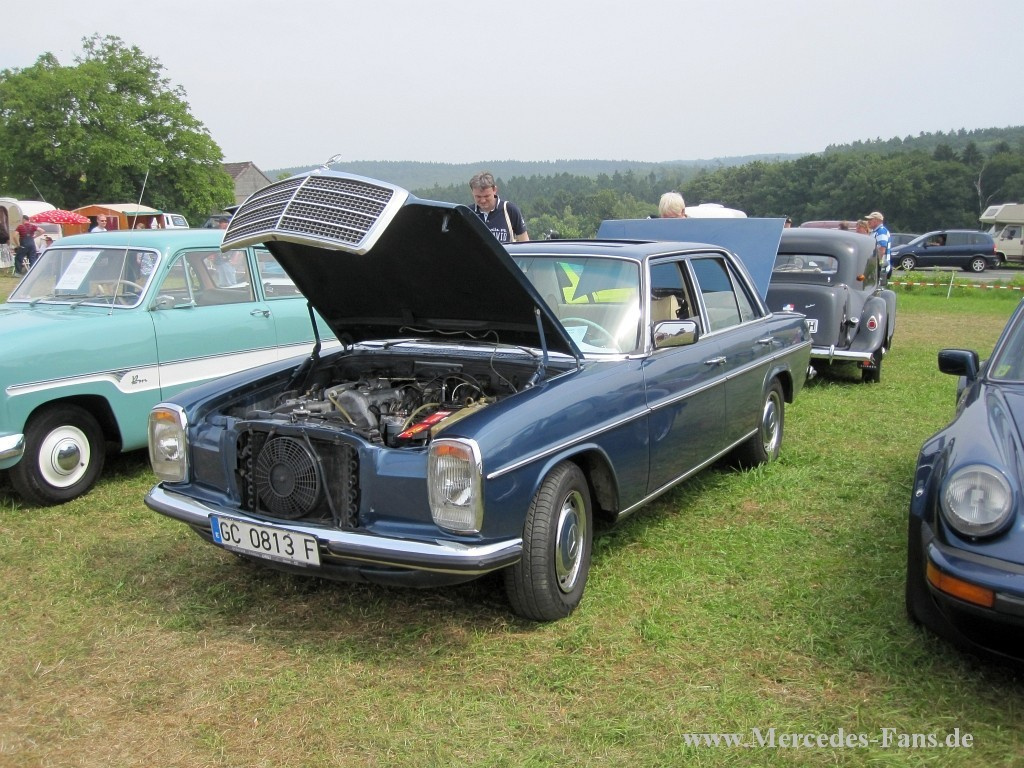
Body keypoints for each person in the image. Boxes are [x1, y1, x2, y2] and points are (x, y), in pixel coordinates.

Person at [469, 171, 528, 242]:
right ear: (472, 192)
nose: (483, 200)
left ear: (494, 190)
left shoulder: (509, 210)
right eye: (478, 197)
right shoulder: (468, 213)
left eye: (486, 196)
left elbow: (524, 242)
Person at [865, 211, 891, 277]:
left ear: (876, 220)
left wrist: (876, 266)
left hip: (880, 269)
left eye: (870, 219)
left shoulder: (881, 231)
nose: (868, 221)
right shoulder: (875, 232)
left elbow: (881, 250)